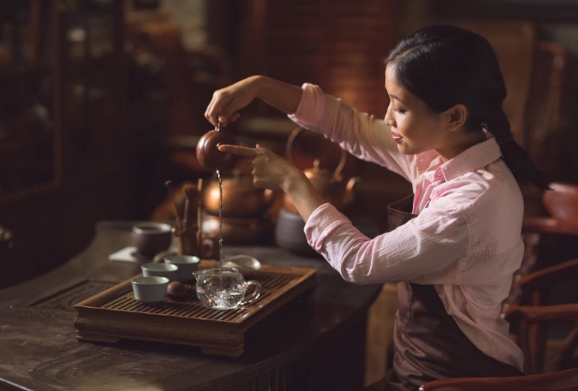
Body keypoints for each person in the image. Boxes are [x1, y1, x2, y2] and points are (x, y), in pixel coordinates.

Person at [204, 25, 548, 390]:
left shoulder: (471, 203)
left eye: (400, 107)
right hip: (420, 369)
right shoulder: (445, 154)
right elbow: (350, 126)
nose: (387, 118)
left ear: (453, 117)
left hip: (456, 379)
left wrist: (293, 183)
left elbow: (359, 261)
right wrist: (260, 86)